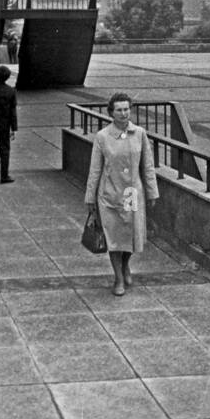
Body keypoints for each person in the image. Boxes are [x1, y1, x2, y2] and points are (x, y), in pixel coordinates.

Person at [84, 92, 159, 296]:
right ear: (111, 112)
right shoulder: (102, 137)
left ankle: (126, 265)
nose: (124, 113)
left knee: (131, 235)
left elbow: (148, 166)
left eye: (126, 109)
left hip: (132, 194)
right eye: (119, 110)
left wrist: (152, 192)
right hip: (109, 194)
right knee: (114, 237)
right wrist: (90, 198)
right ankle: (118, 277)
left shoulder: (140, 134)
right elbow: (95, 170)